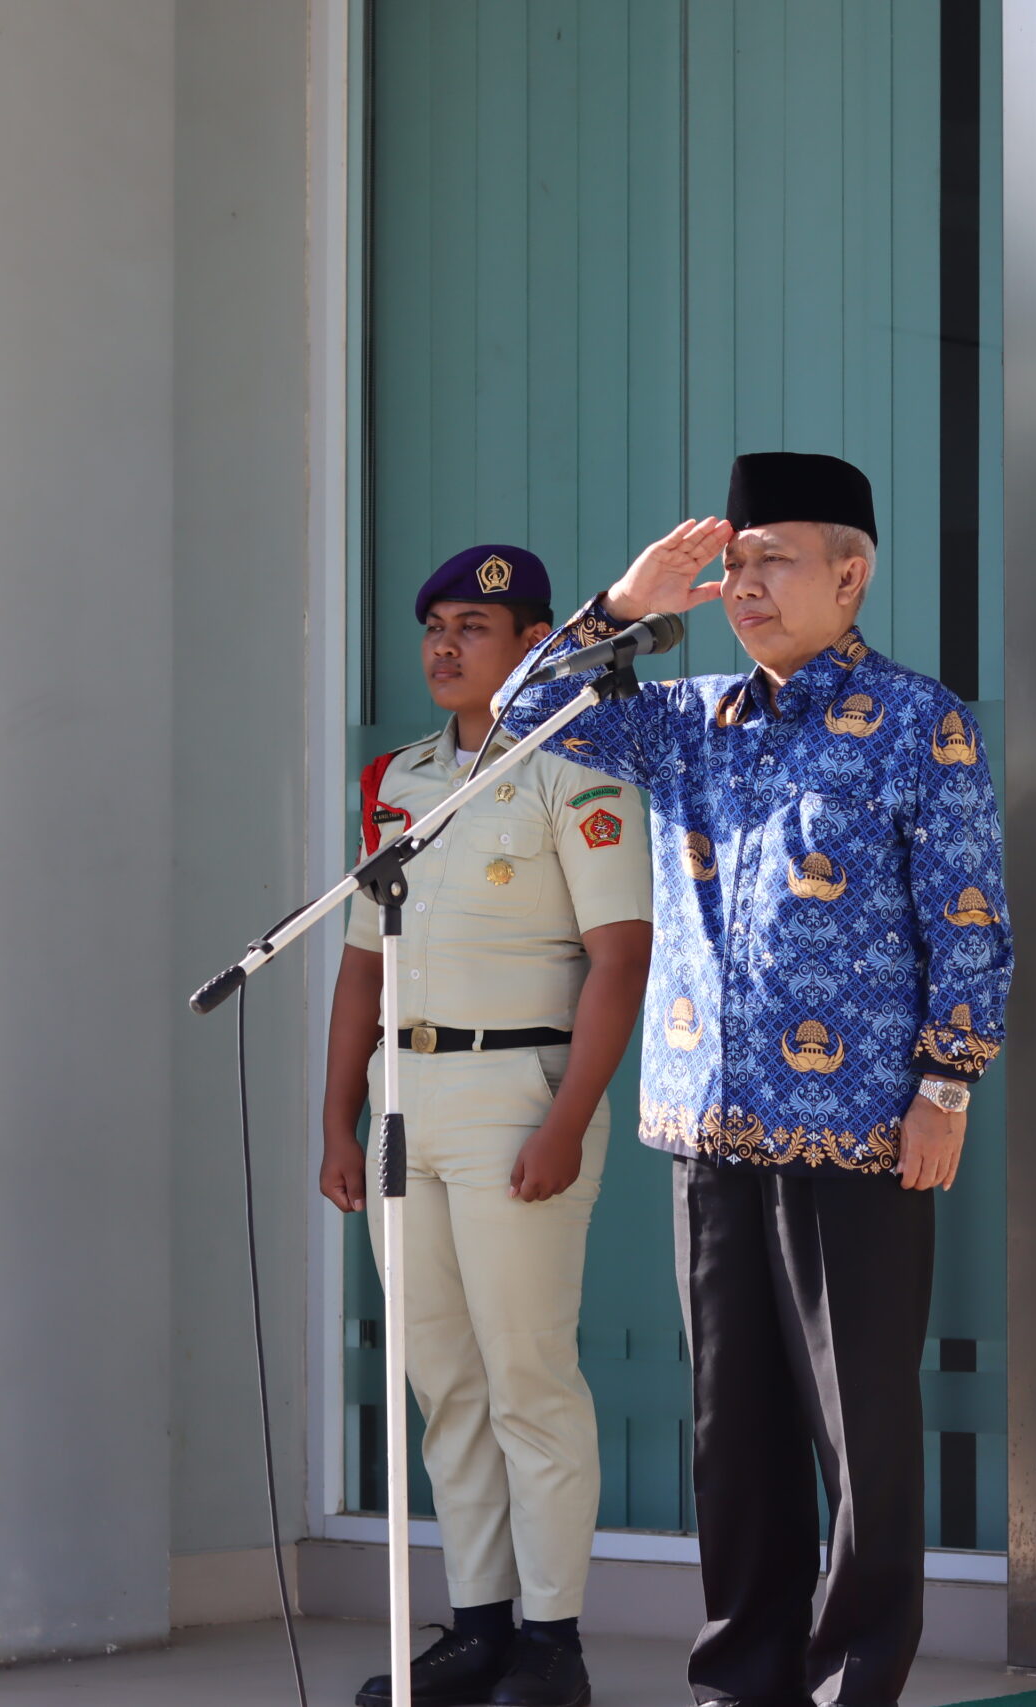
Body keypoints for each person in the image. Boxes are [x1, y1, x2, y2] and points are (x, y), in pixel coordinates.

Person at [495, 452, 1014, 1707]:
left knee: (860, 1435)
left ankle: (850, 1685)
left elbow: (969, 914)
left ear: (852, 574)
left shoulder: (918, 720)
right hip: (710, 1127)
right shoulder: (689, 718)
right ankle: (743, 1681)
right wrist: (625, 606)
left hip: (860, 1133)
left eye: (773, 561)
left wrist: (946, 1084)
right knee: (733, 1435)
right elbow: (521, 713)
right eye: (732, 566)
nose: (743, 586)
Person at [322, 544, 655, 1707]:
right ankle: (477, 1626)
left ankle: (552, 1643)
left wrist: (569, 1119)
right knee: (443, 1382)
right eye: (435, 627)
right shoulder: (400, 780)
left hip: (520, 1093)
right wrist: (337, 1121)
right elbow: (361, 967)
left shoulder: (578, 768)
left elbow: (621, 960)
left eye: (474, 626)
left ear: (530, 646)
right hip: (405, 1101)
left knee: (527, 1379)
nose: (446, 646)